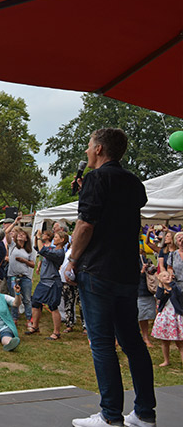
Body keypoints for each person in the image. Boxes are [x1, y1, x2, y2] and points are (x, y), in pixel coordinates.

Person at [66, 128, 155, 427]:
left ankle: (110, 414)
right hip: (127, 271)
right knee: (132, 341)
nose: (88, 152)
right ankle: (144, 413)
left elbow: (86, 224)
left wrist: (72, 260)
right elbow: (118, 213)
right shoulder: (134, 183)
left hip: (98, 269)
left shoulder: (96, 178)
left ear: (100, 148)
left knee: (102, 343)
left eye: (90, 146)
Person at [29, 230, 65, 340]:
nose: (54, 238)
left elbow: (43, 250)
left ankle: (56, 333)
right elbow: (38, 248)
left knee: (53, 306)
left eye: (57, 237)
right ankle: (35, 326)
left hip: (53, 282)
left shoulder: (59, 253)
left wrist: (40, 237)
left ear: (62, 240)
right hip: (44, 281)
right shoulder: (52, 249)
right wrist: (36, 237)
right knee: (35, 302)